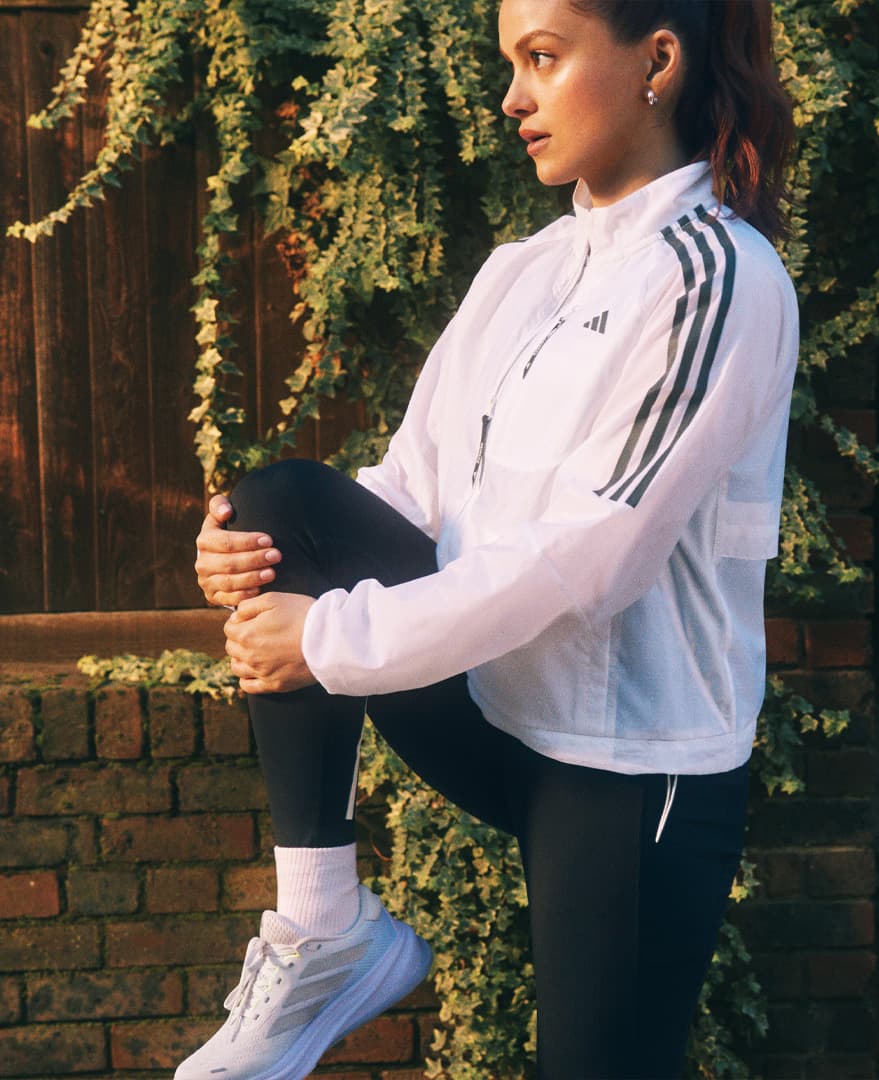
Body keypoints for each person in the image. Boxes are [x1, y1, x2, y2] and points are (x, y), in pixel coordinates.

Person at [181, 0, 796, 1077]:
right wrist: (241, 555)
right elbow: (411, 485)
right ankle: (325, 928)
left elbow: (594, 556)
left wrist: (328, 640)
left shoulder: (717, 278)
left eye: (543, 60)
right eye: (511, 63)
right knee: (280, 506)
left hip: (627, 771)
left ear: (657, 61)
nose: (512, 96)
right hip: (498, 717)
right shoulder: (524, 270)